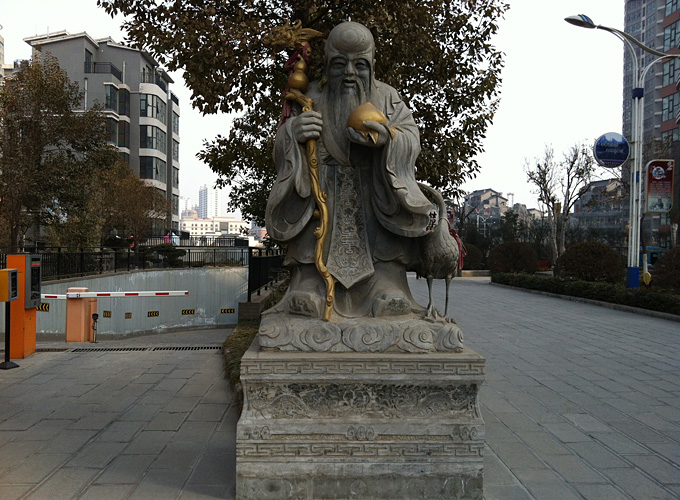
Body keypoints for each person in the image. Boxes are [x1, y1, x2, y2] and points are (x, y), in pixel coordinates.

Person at [266, 22, 437, 319]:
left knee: (384, 233)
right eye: (339, 64)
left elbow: (410, 137)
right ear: (326, 64)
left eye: (359, 65)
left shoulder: (387, 97)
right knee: (312, 229)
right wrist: (294, 133)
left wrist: (388, 140)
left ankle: (385, 285)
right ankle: (311, 285)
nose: (349, 73)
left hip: (373, 187)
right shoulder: (309, 97)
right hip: (323, 189)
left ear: (372, 64)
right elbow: (282, 142)